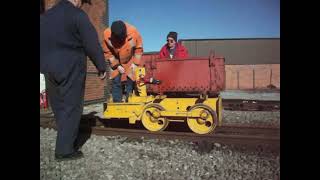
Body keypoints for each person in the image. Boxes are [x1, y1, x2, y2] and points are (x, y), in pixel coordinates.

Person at [40, 0, 107, 161]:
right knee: (72, 106)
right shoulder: (77, 15)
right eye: (81, 2)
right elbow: (91, 43)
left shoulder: (45, 17)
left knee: (59, 107)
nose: (81, 5)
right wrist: (101, 66)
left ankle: (65, 140)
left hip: (48, 68)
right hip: (70, 67)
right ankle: (64, 150)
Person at [102, 20, 143, 102]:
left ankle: (130, 101)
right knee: (116, 81)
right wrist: (117, 65)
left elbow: (139, 49)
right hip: (116, 59)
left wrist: (135, 63)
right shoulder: (106, 34)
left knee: (130, 81)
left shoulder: (133, 32)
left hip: (130, 60)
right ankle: (117, 105)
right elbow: (107, 53)